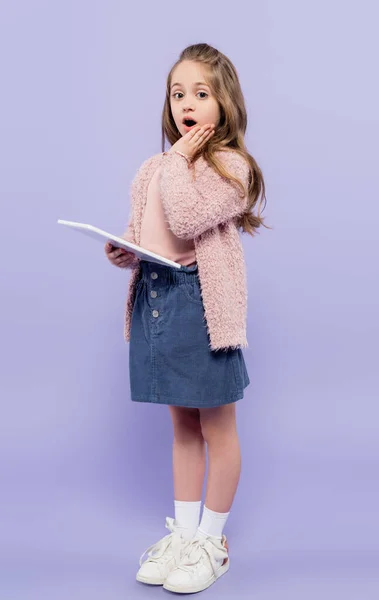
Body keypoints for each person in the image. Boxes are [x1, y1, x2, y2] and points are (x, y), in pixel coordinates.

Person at [105, 43, 267, 594]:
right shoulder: (153, 167)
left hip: (203, 305)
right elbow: (150, 227)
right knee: (182, 426)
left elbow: (188, 215)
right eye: (178, 93)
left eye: (201, 93)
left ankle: (212, 541)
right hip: (158, 298)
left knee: (217, 426)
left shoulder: (232, 167)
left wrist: (178, 160)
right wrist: (125, 248)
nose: (187, 103)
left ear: (225, 104)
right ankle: (184, 534)